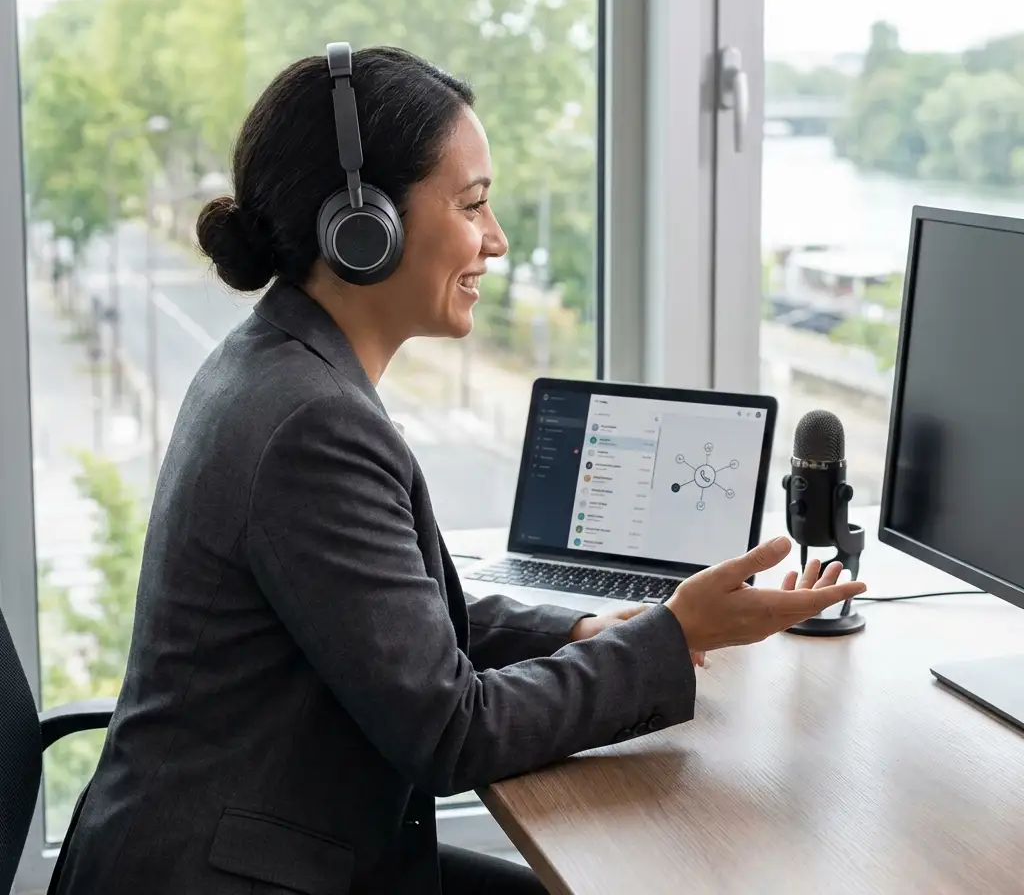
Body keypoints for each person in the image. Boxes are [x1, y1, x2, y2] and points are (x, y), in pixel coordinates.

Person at [51, 46, 865, 895]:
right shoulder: (312, 422)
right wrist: (671, 638)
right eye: (473, 204)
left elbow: (385, 618)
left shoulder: (274, 363)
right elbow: (451, 732)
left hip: (262, 846)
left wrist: (582, 632)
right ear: (363, 226)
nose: (497, 240)